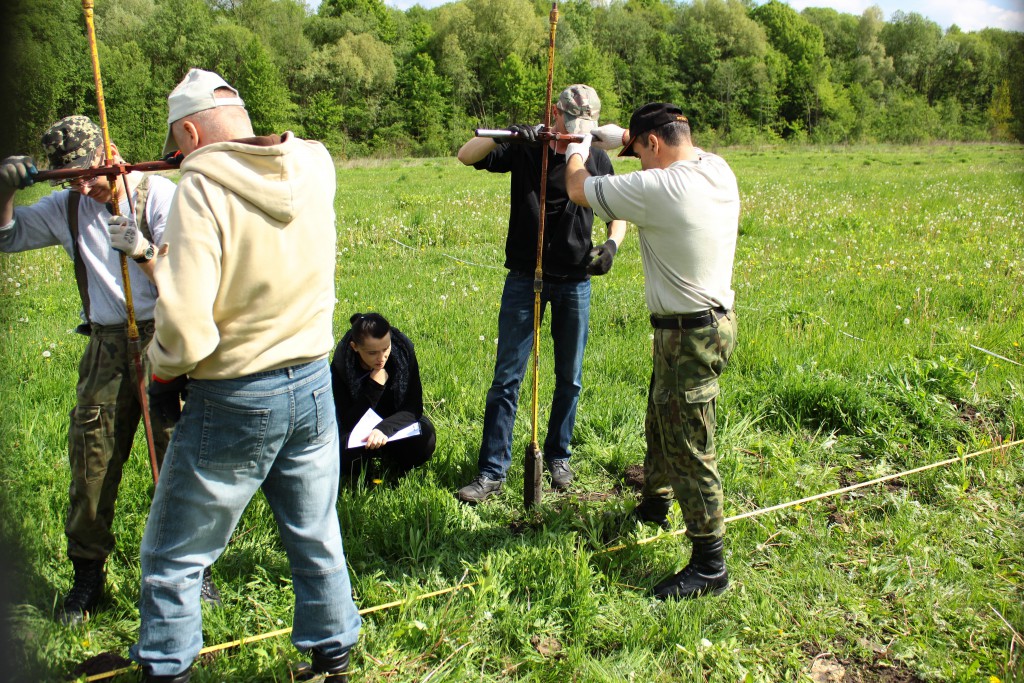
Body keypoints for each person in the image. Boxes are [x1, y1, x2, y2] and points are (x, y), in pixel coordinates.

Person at [130, 69, 361, 682]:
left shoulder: (200, 189)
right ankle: (333, 655)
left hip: (236, 390)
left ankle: (165, 667)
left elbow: (186, 326)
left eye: (178, 146)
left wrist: (159, 366)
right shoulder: (316, 164)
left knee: (174, 554)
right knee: (315, 531)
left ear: (187, 131)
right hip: (313, 379)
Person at [0, 116, 220, 625]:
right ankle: (87, 576)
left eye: (88, 174)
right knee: (91, 460)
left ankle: (193, 570)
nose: (83, 186)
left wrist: (140, 253)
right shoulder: (68, 206)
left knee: (175, 453)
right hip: (105, 343)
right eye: (68, 178)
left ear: (111, 153)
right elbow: (7, 236)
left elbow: (184, 286)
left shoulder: (159, 197)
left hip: (164, 336)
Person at [565, 103, 740, 600]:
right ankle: (654, 504)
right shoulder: (715, 168)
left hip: (689, 333)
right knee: (661, 416)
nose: (637, 163)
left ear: (655, 144)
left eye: (639, 152)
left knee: (689, 444)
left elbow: (577, 187)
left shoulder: (658, 188)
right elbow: (657, 142)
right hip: (704, 325)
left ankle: (711, 565)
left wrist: (578, 143)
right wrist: (621, 133)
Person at [454, 84, 627, 504]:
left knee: (569, 378)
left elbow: (617, 215)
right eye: (568, 125)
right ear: (554, 113)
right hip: (523, 279)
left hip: (575, 283)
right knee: (507, 379)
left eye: (583, 128)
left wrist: (611, 247)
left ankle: (558, 457)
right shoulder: (528, 148)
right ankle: (492, 471)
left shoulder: (595, 155)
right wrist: (507, 134)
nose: (573, 134)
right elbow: (466, 155)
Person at [331, 312, 436, 480]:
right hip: (359, 430)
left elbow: (413, 407)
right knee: (340, 453)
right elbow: (347, 420)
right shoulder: (342, 365)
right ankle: (364, 473)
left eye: (386, 348)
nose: (382, 358)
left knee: (424, 440)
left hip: (394, 425)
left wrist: (383, 429)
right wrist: (374, 387)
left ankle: (395, 461)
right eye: (372, 353)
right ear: (355, 347)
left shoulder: (402, 352)